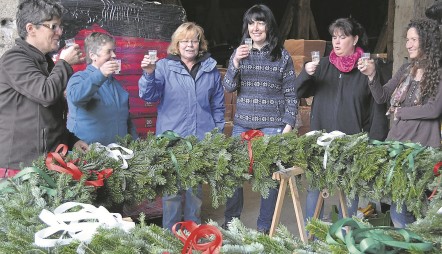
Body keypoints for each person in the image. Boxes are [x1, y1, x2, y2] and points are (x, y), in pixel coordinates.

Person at [294, 17, 389, 223]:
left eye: (342, 37)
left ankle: (347, 234)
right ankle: (312, 236)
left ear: (354, 39)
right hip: (321, 141)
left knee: (350, 191)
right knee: (315, 188)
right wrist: (306, 74)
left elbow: (378, 107)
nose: (336, 42)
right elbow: (298, 91)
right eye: (334, 37)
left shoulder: (366, 68)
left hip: (352, 143)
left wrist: (375, 142)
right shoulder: (324, 65)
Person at [138, 22, 225, 230]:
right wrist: (149, 74)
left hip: (199, 139)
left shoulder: (210, 69)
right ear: (176, 45)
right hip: (172, 140)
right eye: (184, 41)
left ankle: (193, 231)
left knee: (194, 191)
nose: (189, 45)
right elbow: (148, 96)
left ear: (200, 44)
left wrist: (217, 134)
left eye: (194, 40)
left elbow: (218, 106)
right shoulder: (163, 67)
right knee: (171, 193)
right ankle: (171, 233)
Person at [359, 18, 442, 228]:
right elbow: (382, 96)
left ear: (428, 42)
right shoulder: (406, 69)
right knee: (398, 212)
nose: (408, 44)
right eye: (407, 39)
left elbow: (434, 109)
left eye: (414, 39)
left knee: (419, 212)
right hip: (398, 149)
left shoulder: (439, 73)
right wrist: (372, 76)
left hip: (422, 152)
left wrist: (401, 112)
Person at [222, 4, 298, 234]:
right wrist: (235, 62)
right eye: (251, 23)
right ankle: (231, 225)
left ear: (268, 26)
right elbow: (228, 86)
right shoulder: (240, 53)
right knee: (232, 173)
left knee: (269, 180)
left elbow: (291, 94)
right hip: (243, 124)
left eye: (260, 22)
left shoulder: (282, 55)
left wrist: (288, 125)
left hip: (272, 126)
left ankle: (265, 228)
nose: (255, 28)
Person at [0, 0, 88, 178]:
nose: (60, 32)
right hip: (20, 168)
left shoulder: (46, 62)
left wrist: (71, 141)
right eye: (53, 26)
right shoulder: (14, 59)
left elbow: (48, 117)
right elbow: (46, 94)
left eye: (60, 26)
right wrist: (64, 63)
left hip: (47, 163)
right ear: (31, 28)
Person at [66, 32, 137, 145]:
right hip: (87, 156)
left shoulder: (116, 85)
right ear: (93, 55)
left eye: (114, 51)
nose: (114, 55)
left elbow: (126, 120)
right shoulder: (79, 78)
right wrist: (101, 74)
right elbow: (76, 98)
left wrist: (135, 143)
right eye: (109, 51)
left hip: (117, 155)